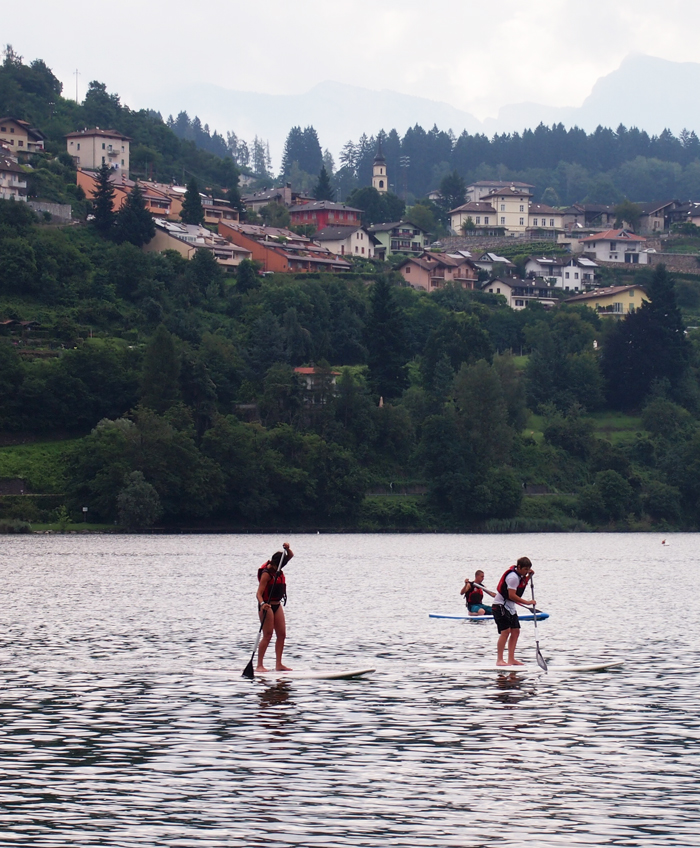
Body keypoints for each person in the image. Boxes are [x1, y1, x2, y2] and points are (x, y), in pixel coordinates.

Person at [255, 542, 294, 672]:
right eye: (279, 566)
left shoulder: (278, 567)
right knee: (268, 635)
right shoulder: (266, 574)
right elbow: (258, 594)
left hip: (277, 604)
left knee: (282, 634)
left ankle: (279, 664)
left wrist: (287, 549)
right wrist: (263, 604)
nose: (280, 568)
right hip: (266, 606)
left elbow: (290, 556)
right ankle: (259, 665)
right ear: (273, 563)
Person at [492, 557, 537, 666]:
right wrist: (527, 602)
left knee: (516, 631)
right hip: (500, 606)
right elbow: (512, 595)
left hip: (510, 608)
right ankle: (499, 660)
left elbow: (521, 585)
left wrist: (528, 576)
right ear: (519, 567)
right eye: (525, 569)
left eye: (528, 569)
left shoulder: (520, 576)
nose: (526, 571)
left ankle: (511, 659)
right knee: (505, 632)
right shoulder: (513, 577)